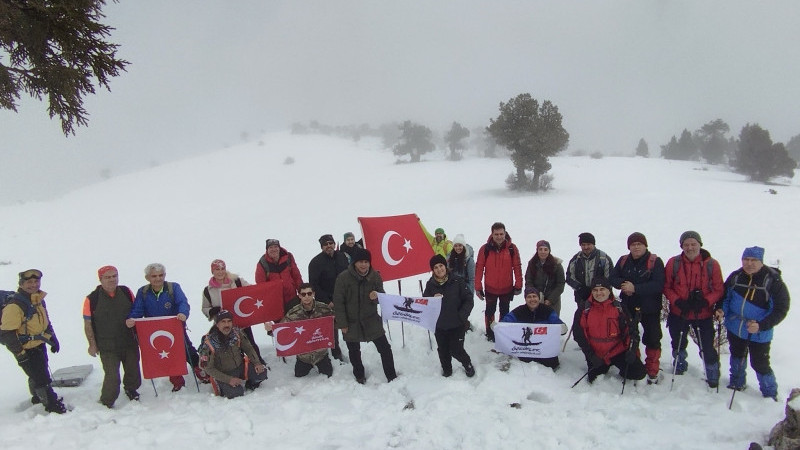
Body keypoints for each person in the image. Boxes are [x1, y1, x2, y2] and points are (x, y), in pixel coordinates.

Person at [720, 246, 790, 400]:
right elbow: (725, 298)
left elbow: (781, 309)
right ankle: (736, 383)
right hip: (735, 327)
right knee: (737, 356)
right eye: (746, 259)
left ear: (761, 261)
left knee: (760, 363)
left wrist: (761, 325)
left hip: (759, 332)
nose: (749, 263)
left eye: (754, 260)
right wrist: (721, 310)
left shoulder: (773, 281)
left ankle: (770, 393)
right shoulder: (736, 277)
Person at [126, 263, 207, 391]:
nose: (158, 279)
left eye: (160, 275)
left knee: (186, 350)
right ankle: (176, 380)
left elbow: (182, 302)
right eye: (154, 276)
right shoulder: (143, 292)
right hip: (155, 331)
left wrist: (183, 313)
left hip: (174, 327)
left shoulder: (173, 288)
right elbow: (138, 309)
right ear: (148, 278)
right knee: (167, 354)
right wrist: (132, 319)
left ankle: (201, 372)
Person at [663, 231, 724, 388]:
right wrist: (677, 301)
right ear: (681, 246)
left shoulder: (711, 264)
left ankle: (712, 373)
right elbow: (666, 286)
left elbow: (718, 289)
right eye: (686, 244)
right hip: (679, 312)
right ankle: (679, 365)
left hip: (703, 314)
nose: (690, 247)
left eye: (693, 244)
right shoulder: (673, 263)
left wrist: (705, 301)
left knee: (707, 346)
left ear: (699, 244)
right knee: (678, 342)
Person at [0, 269, 67, 413]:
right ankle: (52, 405)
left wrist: (52, 337)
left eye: (36, 281)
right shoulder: (14, 306)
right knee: (41, 378)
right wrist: (20, 354)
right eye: (29, 282)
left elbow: (45, 321)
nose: (33, 285)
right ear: (21, 284)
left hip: (39, 343)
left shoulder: (38, 299)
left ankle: (38, 397)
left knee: (39, 372)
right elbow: (7, 333)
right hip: (25, 347)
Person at [333, 248, 397, 384]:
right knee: (354, 351)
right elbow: (338, 302)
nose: (363, 265)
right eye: (360, 262)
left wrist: (377, 296)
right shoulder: (343, 278)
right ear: (355, 263)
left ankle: (391, 376)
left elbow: (382, 297)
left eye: (366, 262)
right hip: (351, 322)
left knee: (385, 348)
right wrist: (342, 323)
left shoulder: (375, 276)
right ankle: (359, 375)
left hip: (371, 320)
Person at [609, 232, 666, 384]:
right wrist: (623, 285)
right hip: (628, 307)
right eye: (633, 244)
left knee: (653, 338)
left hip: (650, 308)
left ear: (645, 245)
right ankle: (636, 366)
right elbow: (612, 278)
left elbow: (659, 284)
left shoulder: (655, 261)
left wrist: (635, 288)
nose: (636, 247)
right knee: (630, 338)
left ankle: (652, 370)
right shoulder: (623, 261)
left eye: (639, 244)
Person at [82, 265, 142, 408]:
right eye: (107, 277)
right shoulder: (92, 299)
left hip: (129, 341)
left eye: (114, 276)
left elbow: (136, 312)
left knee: (133, 370)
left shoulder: (126, 292)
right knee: (112, 376)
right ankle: (107, 401)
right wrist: (92, 344)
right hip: (107, 345)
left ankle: (131, 389)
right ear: (100, 279)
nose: (112, 280)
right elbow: (88, 323)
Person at [574, 277, 646, 383]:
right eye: (595, 290)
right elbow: (578, 334)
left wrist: (632, 350)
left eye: (602, 289)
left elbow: (632, 332)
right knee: (593, 379)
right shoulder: (584, 309)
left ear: (609, 290)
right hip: (597, 354)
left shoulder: (619, 308)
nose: (599, 293)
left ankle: (620, 368)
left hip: (617, 351)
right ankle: (604, 366)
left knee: (638, 373)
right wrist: (591, 356)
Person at [201, 259, 264, 365]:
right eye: (217, 269)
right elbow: (205, 308)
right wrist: (212, 311)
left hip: (241, 319)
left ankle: (258, 363)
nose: (220, 272)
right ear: (212, 271)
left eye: (222, 269)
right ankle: (236, 367)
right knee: (230, 348)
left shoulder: (237, 281)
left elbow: (252, 290)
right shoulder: (208, 290)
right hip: (223, 324)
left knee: (249, 343)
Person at [423, 255, 475, 378]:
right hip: (439, 325)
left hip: (456, 324)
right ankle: (447, 370)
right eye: (435, 267)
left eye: (441, 265)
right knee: (443, 350)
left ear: (445, 266)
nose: (439, 269)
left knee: (456, 349)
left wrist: (461, 316)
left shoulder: (457, 281)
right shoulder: (430, 285)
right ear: (433, 270)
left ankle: (467, 364)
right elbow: (424, 303)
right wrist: (431, 300)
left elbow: (468, 299)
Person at [267, 283, 335, 378]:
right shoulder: (293, 313)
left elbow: (335, 322)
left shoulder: (324, 309)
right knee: (299, 375)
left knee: (328, 375)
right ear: (299, 295)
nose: (306, 297)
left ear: (313, 294)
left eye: (309, 293)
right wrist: (271, 329)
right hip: (304, 357)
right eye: (303, 294)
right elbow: (281, 330)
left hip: (321, 354)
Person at [565, 232, 614, 362]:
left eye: (588, 244)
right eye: (583, 244)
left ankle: (601, 344)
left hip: (600, 296)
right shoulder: (576, 259)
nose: (586, 247)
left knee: (599, 320)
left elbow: (610, 278)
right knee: (584, 320)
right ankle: (586, 344)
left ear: (593, 244)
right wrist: (580, 288)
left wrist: (598, 290)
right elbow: (569, 277)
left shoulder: (603, 258)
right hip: (582, 296)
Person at [202, 310, 268, 399]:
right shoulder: (209, 342)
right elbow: (207, 367)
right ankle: (220, 385)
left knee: (262, 373)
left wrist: (257, 363)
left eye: (229, 321)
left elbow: (249, 348)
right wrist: (228, 380)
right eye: (223, 322)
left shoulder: (237, 333)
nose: (227, 325)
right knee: (236, 393)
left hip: (240, 367)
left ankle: (250, 384)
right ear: (217, 324)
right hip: (223, 373)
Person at [474, 222, 522, 342]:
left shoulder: (512, 248)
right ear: (492, 234)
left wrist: (518, 284)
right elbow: (479, 267)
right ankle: (490, 334)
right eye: (496, 234)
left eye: (501, 234)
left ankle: (502, 333)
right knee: (490, 311)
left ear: (505, 233)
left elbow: (517, 267)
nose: (499, 237)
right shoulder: (485, 249)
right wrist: (478, 287)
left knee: (504, 312)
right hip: (490, 287)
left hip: (507, 288)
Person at [500, 286, 563, 369]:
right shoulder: (520, 310)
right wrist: (499, 326)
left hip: (544, 347)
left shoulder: (547, 310)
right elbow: (508, 319)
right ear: (525, 299)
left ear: (538, 298)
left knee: (551, 364)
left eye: (534, 296)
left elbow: (555, 320)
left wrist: (561, 326)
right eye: (529, 297)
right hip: (526, 350)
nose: (532, 299)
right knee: (523, 362)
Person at [308, 234, 349, 361]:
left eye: (330, 243)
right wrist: (327, 301)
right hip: (328, 301)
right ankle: (336, 354)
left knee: (347, 326)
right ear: (322, 247)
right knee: (332, 330)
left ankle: (352, 348)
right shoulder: (315, 262)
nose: (329, 246)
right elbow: (314, 285)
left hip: (345, 298)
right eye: (325, 244)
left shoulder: (342, 256)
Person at [255, 238, 304, 307]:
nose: (273, 249)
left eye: (276, 247)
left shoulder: (288, 257)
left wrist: (301, 291)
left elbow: (296, 276)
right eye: (270, 247)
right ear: (267, 250)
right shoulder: (262, 263)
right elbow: (261, 284)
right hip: (275, 301)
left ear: (279, 248)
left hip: (292, 297)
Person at [524, 240, 566, 317]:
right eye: (540, 249)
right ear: (537, 250)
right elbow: (528, 280)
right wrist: (533, 296)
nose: (543, 252)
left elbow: (560, 284)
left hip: (553, 301)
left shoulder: (557, 264)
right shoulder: (532, 263)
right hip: (535, 300)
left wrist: (550, 299)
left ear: (549, 251)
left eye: (545, 249)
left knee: (551, 322)